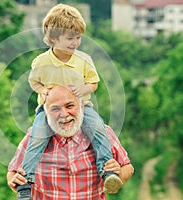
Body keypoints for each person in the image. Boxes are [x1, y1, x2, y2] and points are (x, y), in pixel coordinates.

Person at [17, 3, 122, 199]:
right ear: (54, 39)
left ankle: (107, 171)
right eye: (70, 38)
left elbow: (93, 83)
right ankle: (26, 183)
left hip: (80, 107)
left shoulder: (83, 60)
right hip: (48, 110)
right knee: (38, 136)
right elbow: (34, 82)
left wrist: (84, 89)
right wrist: (43, 90)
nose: (75, 43)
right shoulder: (41, 62)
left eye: (78, 37)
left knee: (97, 128)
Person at [7, 85, 134, 200]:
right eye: (55, 109)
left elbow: (127, 167)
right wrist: (15, 182)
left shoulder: (102, 133)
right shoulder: (34, 137)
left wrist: (119, 174)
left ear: (82, 106)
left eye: (69, 106)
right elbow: (12, 172)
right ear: (45, 113)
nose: (64, 114)